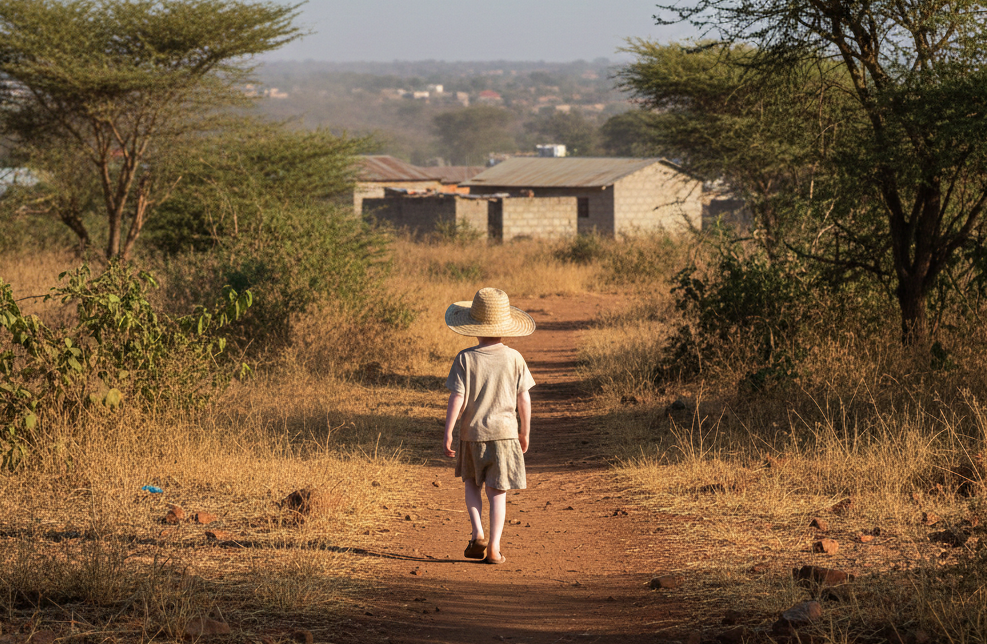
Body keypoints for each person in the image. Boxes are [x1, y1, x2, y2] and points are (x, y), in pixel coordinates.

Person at [443, 287, 536, 565]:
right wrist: (524, 431)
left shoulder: (464, 358)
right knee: (498, 493)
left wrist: (448, 431)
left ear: (473, 326)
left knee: (471, 484)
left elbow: (457, 398)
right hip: (506, 436)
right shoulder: (515, 358)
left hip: (471, 435)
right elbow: (524, 399)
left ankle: (477, 532)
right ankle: (494, 548)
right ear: (505, 327)